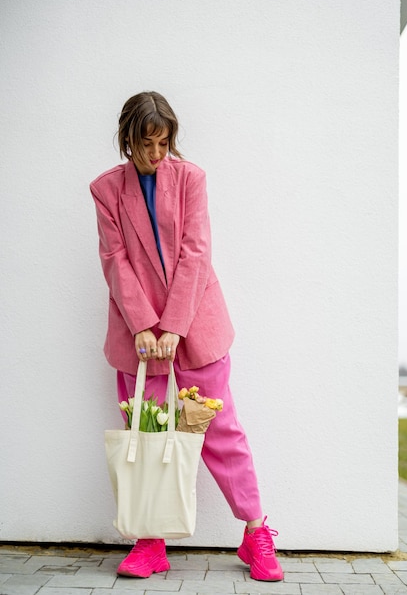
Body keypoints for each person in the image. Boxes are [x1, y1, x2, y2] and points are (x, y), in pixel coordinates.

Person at [90, 91, 283, 582]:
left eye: (164, 142)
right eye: (146, 144)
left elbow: (195, 253)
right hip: (137, 337)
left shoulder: (191, 178)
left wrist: (174, 325)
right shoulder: (106, 190)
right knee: (149, 434)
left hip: (195, 324)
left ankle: (255, 533)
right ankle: (150, 542)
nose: (157, 153)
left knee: (220, 430)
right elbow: (116, 261)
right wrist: (145, 326)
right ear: (127, 140)